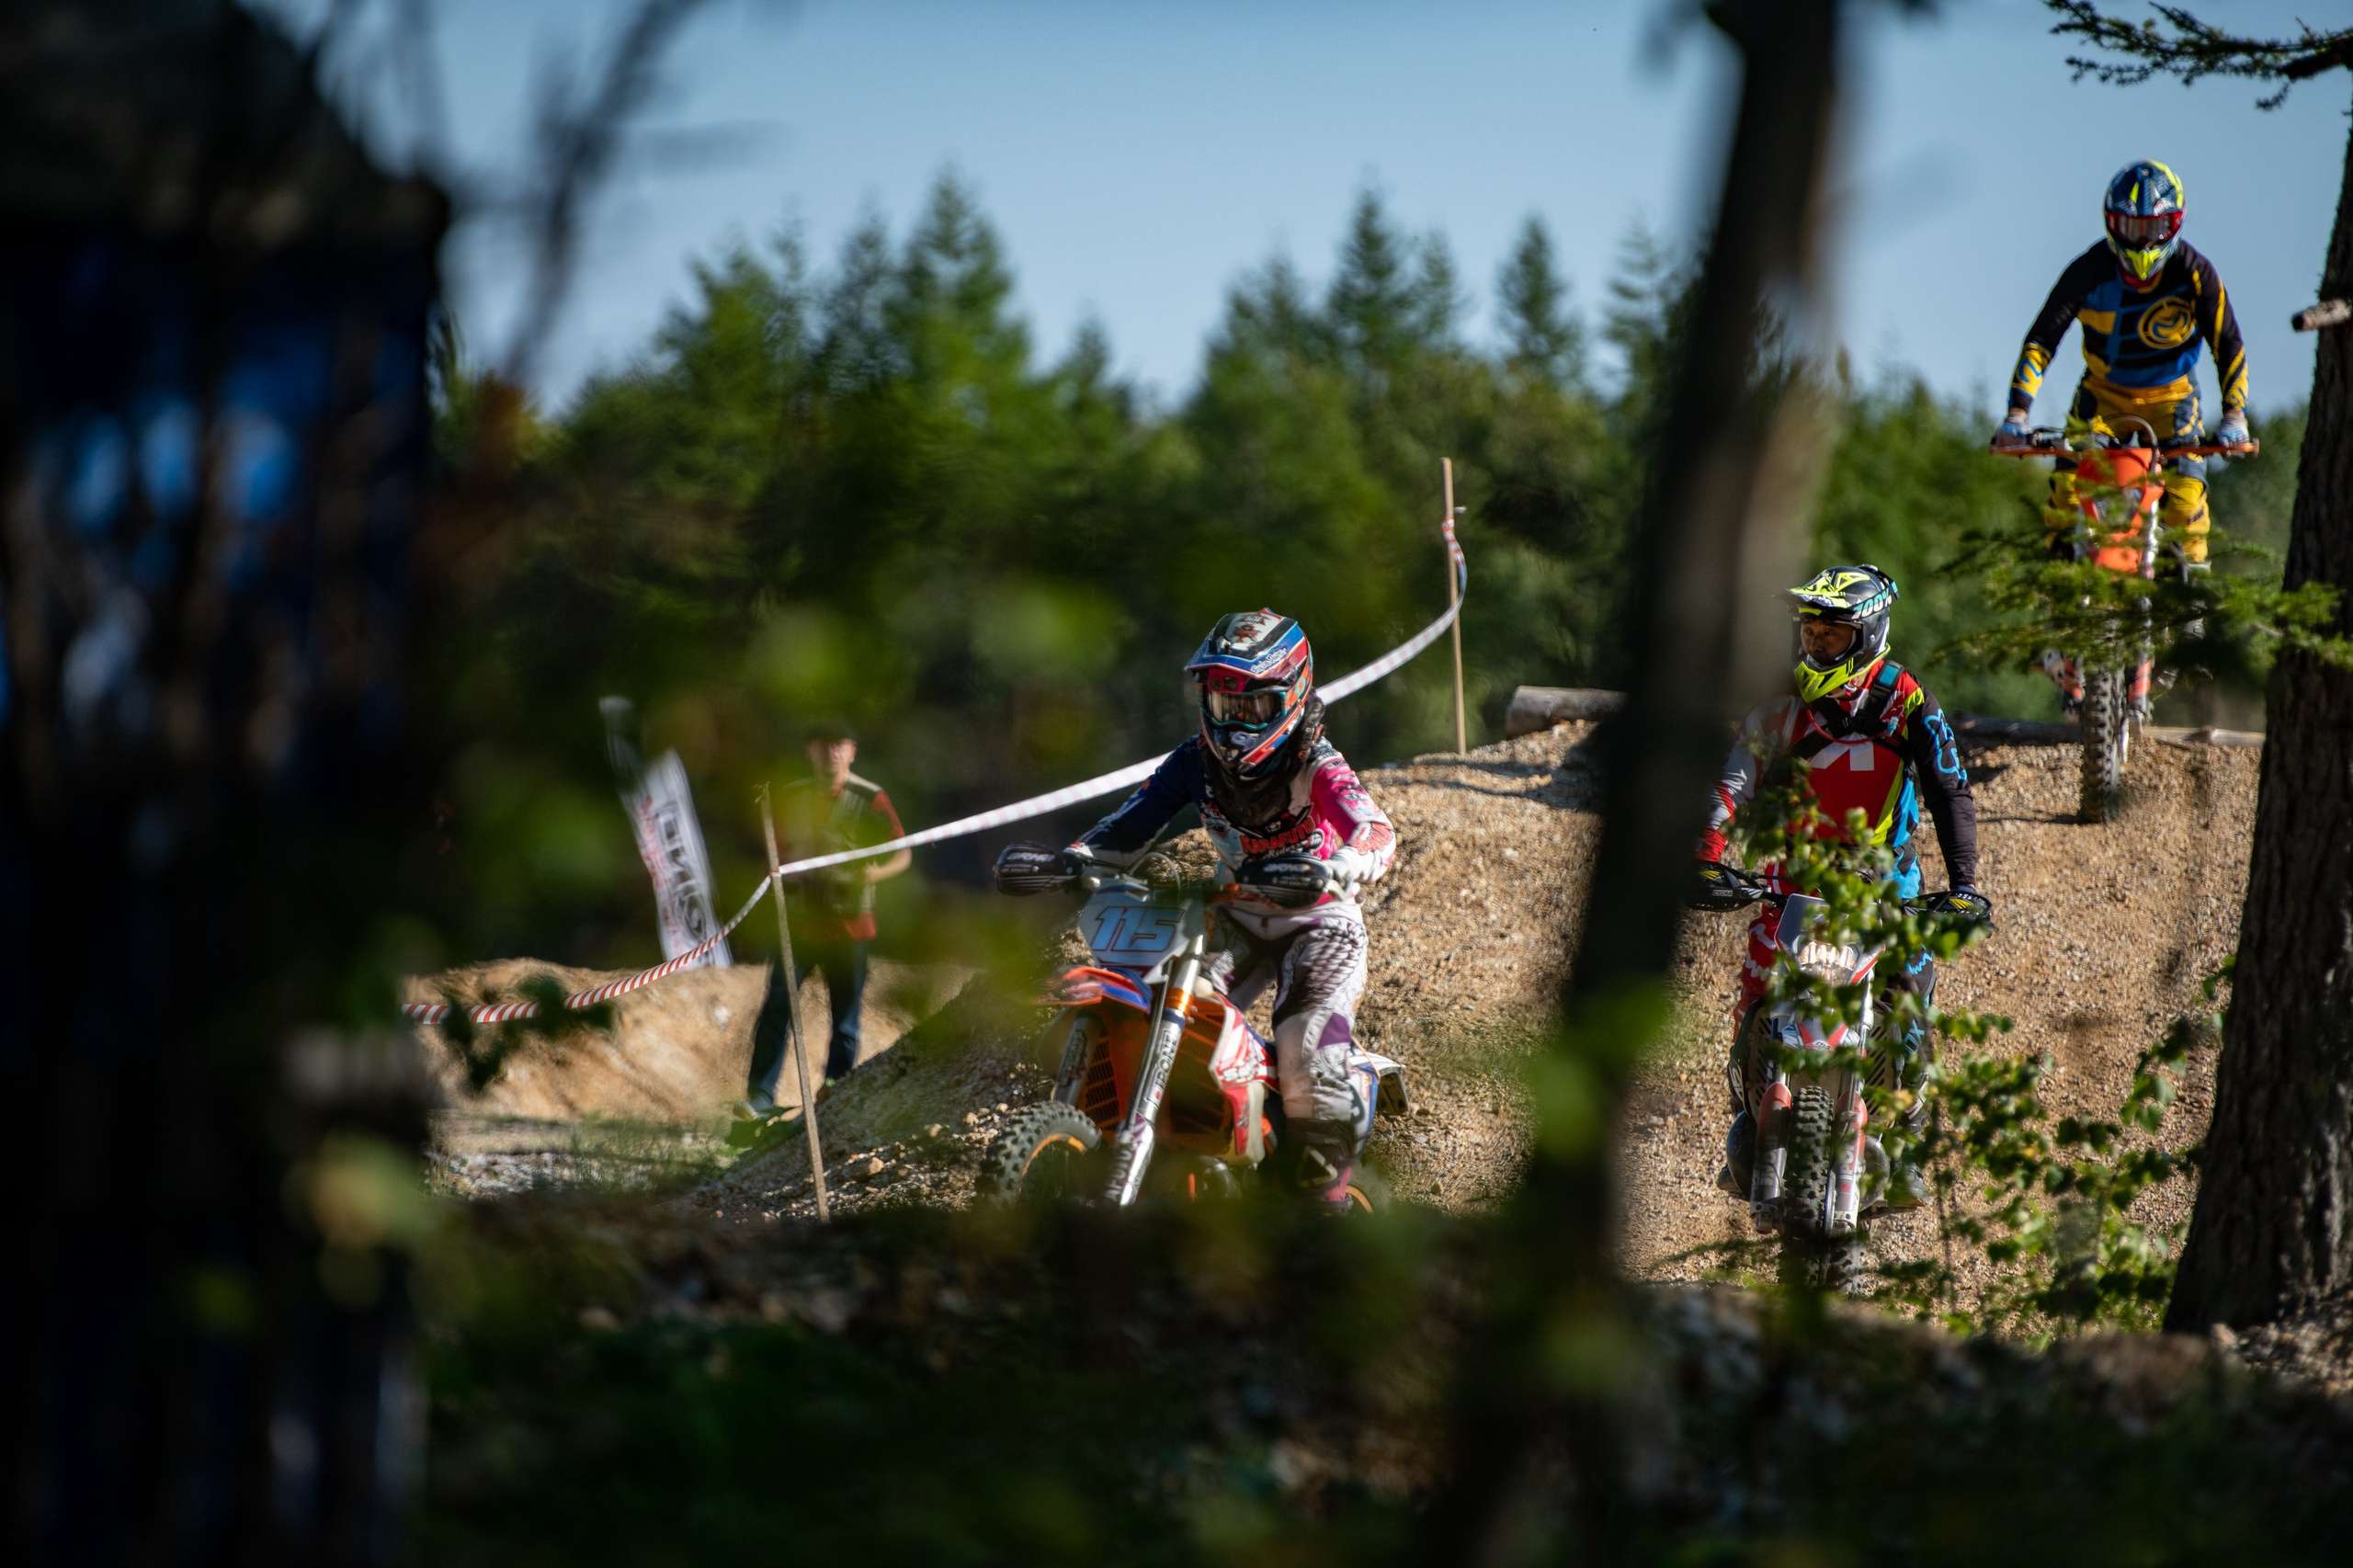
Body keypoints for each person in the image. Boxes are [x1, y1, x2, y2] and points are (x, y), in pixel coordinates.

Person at [1028, 610, 1396, 1209]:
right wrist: (1072, 859)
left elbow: (1377, 830)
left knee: (1306, 1045)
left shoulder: (1317, 764)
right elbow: (1130, 824)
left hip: (1320, 923)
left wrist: (1343, 865)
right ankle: (1186, 1155)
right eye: (1226, 707)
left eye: (1253, 709)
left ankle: (1324, 1208)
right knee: (1165, 1010)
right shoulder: (1192, 763)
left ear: (1293, 698)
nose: (1235, 725)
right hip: (1233, 916)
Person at [1694, 565, 1989, 1208]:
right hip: (1791, 879)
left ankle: (1905, 1135)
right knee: (1756, 994)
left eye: (1831, 637)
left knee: (1909, 999)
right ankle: (1747, 1112)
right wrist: (1706, 855)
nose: (1815, 646)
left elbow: (1949, 790)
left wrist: (1964, 884)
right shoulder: (1776, 702)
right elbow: (1733, 781)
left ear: (1868, 634)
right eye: (1809, 634)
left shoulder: (1907, 700)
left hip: (1884, 882)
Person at [1993, 160, 2251, 581]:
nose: (2144, 242)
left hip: (2174, 400)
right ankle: (2060, 606)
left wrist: (2234, 416)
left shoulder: (2196, 273)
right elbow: (2041, 342)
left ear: (2175, 224)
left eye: (2155, 228)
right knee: (2066, 495)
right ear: (2112, 224)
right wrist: (2017, 414)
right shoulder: (2087, 271)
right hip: (2101, 397)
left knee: (2187, 505)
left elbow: (2229, 343)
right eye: (2132, 228)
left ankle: (2194, 623)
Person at [743, 722, 911, 1116]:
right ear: (809, 751)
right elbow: (775, 852)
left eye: (839, 745)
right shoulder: (793, 797)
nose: (831, 752)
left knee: (845, 1022)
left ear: (852, 751)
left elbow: (903, 853)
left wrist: (873, 874)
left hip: (850, 927)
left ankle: (835, 1097)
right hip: (798, 925)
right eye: (822, 745)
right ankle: (759, 1098)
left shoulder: (870, 798)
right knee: (776, 1008)